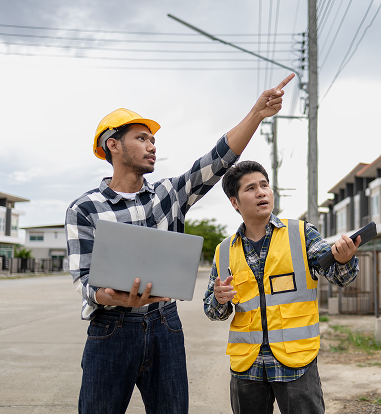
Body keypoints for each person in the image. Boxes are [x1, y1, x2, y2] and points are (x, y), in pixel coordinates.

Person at [65, 74, 294, 414]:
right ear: (112, 145)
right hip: (111, 330)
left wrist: (257, 114)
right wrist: (108, 296)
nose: (152, 145)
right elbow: (84, 281)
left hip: (164, 326)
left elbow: (218, 159)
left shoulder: (168, 195)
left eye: (153, 139)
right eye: (141, 138)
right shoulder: (84, 208)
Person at [203, 160, 361, 414]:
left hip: (296, 362)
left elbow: (339, 275)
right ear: (235, 202)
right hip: (247, 366)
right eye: (251, 188)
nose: (261, 192)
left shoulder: (301, 234)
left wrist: (343, 259)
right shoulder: (224, 251)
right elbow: (212, 310)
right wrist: (219, 300)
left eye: (264, 185)